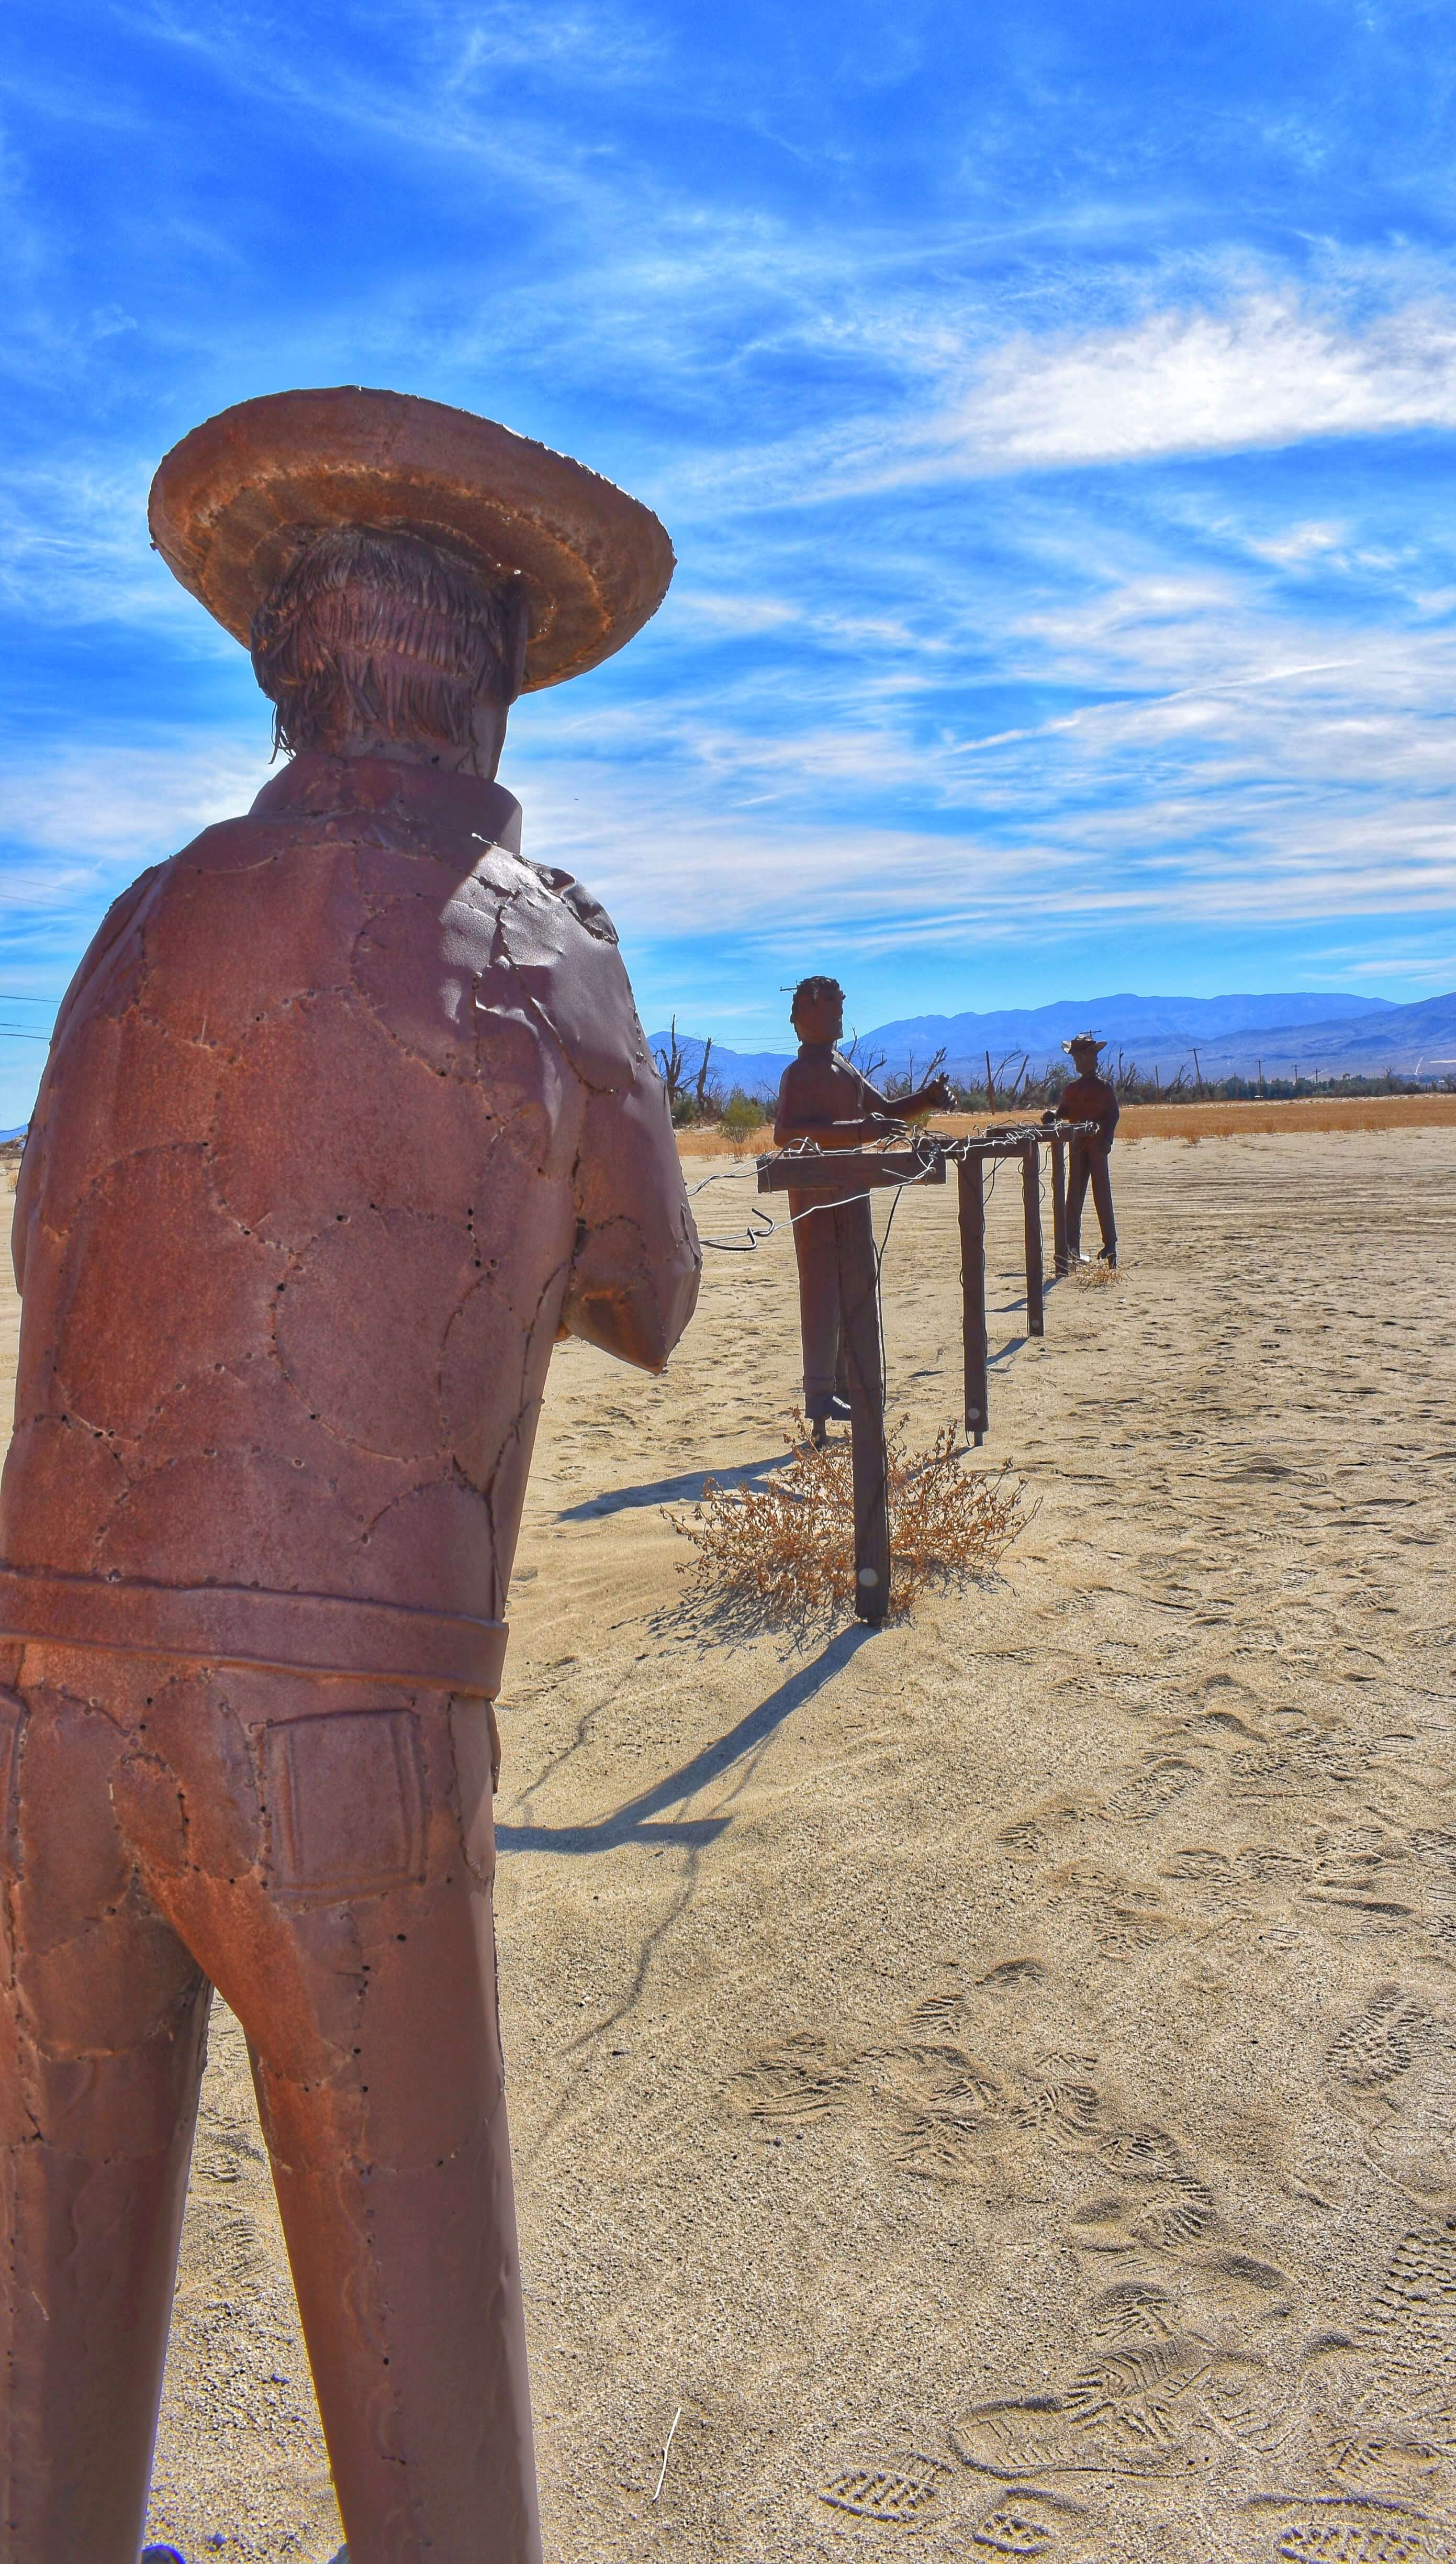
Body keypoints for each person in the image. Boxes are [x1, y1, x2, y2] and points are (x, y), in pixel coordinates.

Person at [0, 387, 700, 2564]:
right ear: (480, 675)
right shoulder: (541, 937)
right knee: (418, 2356)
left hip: (42, 1689)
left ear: (286, 666)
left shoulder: (136, 919)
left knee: (42, 2314)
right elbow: (650, 1288)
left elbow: (50, 1239)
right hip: (348, 1722)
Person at [772, 978, 950, 1439]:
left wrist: (925, 1101)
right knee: (820, 1289)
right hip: (813, 1191)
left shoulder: (842, 1068)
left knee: (856, 1284)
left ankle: (850, 1388)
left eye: (840, 1006)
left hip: (853, 1187)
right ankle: (818, 1400)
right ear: (803, 1015)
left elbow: (884, 1112)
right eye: (829, 1006)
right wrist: (856, 1133)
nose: (838, 1015)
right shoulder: (800, 1074)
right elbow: (785, 1133)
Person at [1058, 1031, 1119, 1264]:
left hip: (1096, 1146)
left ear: (1090, 1059)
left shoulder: (1104, 1088)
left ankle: (1110, 1245)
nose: (1078, 1063)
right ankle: (1071, 1246)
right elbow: (1064, 1110)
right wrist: (1054, 1115)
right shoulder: (1072, 1088)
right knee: (1074, 1194)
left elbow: (1113, 1114)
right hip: (1077, 1147)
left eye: (1080, 1059)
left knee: (1102, 1193)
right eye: (1075, 1059)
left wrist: (1108, 1139)